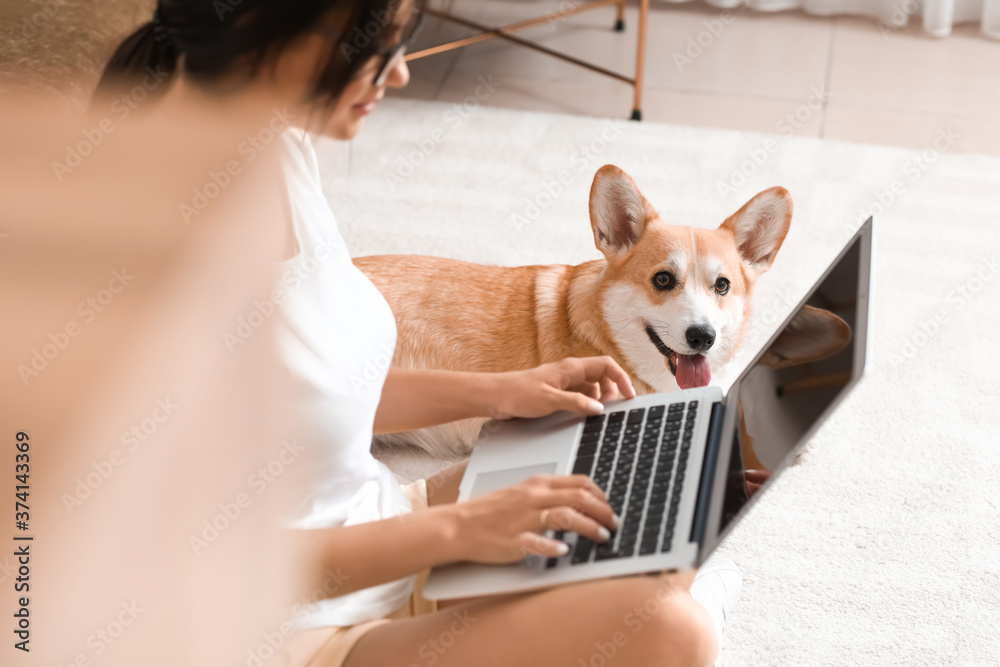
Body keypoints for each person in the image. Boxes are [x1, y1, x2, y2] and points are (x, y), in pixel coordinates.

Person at [95, 2, 741, 665]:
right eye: (381, 49)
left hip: (382, 518)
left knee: (647, 503)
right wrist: (459, 528)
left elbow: (317, 391)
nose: (400, 75)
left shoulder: (280, 145)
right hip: (305, 627)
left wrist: (506, 390)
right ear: (291, 40)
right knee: (673, 626)